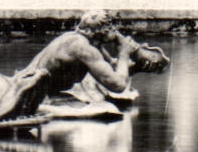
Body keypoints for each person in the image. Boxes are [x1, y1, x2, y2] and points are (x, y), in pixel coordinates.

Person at [10, 10, 141, 109]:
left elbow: (110, 68)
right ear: (104, 32)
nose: (118, 34)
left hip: (30, 87)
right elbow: (118, 86)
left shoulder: (74, 37)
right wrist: (124, 53)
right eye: (114, 30)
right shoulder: (84, 49)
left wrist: (138, 65)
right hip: (30, 96)